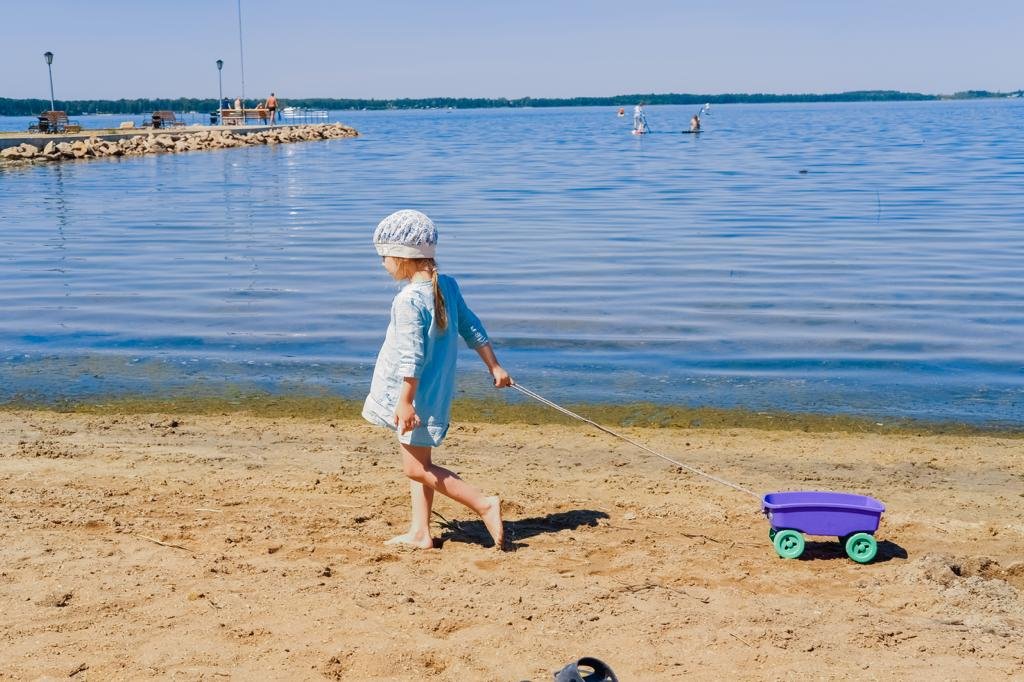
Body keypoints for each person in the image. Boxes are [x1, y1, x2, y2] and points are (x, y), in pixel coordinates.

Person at [362, 209, 511, 550]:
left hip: (413, 394)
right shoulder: (446, 285)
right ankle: (420, 532)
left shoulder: (408, 301)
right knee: (421, 460)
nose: (383, 264)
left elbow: (411, 356)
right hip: (434, 390)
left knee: (415, 469)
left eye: (384, 257)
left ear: (402, 257)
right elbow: (471, 326)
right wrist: (494, 366)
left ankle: (483, 504)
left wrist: (404, 401)